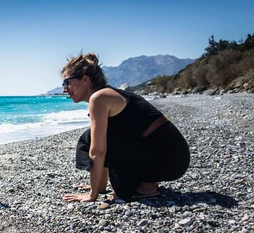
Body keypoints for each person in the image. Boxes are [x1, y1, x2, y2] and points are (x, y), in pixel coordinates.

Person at [61, 53, 190, 202]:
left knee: (122, 189)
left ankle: (146, 186)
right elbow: (101, 143)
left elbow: (98, 150)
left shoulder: (99, 98)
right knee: (88, 137)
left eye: (66, 83)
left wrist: (92, 196)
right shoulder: (106, 95)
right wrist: (99, 187)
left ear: (84, 80)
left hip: (170, 158)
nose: (65, 89)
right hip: (173, 156)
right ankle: (143, 181)